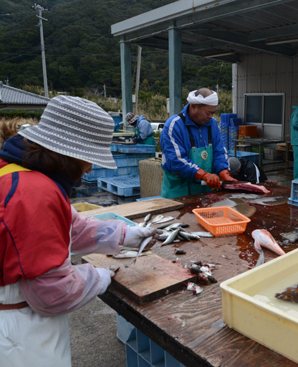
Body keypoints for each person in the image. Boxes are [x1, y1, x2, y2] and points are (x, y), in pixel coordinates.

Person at [0, 96, 159, 366]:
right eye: (90, 158)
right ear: (69, 153)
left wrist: (124, 235)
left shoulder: (19, 173)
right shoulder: (34, 194)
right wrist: (97, 278)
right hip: (19, 332)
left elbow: (69, 227)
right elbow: (51, 293)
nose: (90, 168)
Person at [160, 88, 237, 198]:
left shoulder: (213, 124)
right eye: (208, 112)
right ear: (193, 106)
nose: (211, 116)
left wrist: (224, 173)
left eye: (213, 113)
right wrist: (205, 175)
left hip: (206, 193)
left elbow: (219, 152)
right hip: (178, 193)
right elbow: (177, 161)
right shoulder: (174, 125)